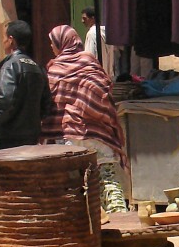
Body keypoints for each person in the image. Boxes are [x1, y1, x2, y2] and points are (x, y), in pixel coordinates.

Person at [42, 24, 128, 211]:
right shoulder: (90, 62)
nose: (51, 47)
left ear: (61, 43)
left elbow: (50, 104)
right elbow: (103, 94)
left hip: (68, 137)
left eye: (52, 43)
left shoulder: (55, 69)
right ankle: (120, 219)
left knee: (74, 186)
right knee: (108, 179)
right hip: (97, 134)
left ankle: (81, 226)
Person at [0, 20, 52, 149]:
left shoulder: (10, 66)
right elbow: (46, 104)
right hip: (31, 137)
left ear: (11, 40)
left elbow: (5, 100)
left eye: (4, 37)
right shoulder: (37, 67)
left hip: (10, 138)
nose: (3, 41)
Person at [80, 6, 115, 80]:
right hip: (108, 76)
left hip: (97, 77)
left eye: (85, 18)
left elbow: (89, 56)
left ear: (93, 18)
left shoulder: (92, 33)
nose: (82, 21)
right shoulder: (106, 33)